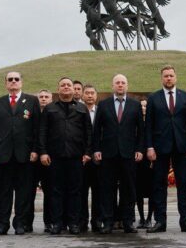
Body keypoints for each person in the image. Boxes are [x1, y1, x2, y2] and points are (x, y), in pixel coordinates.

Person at [145, 65, 186, 233]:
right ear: (162, 78)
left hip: (182, 146)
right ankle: (160, 221)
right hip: (160, 147)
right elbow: (148, 125)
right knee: (159, 185)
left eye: (171, 76)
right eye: (166, 76)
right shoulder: (153, 98)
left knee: (183, 184)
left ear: (176, 77)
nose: (168, 78)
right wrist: (150, 146)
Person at [0, 71, 41, 235]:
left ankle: (20, 223)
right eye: (10, 79)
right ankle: (2, 224)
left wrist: (35, 149)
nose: (13, 82)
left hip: (24, 155)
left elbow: (36, 129)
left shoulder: (32, 101)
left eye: (16, 79)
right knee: (3, 192)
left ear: (21, 82)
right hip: (3, 154)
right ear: (5, 83)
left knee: (23, 192)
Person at [39, 78, 93, 234]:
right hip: (54, 157)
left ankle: (73, 223)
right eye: (63, 85)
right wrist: (43, 152)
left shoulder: (82, 108)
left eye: (68, 85)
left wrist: (88, 153)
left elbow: (89, 133)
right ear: (59, 89)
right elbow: (42, 132)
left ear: (73, 89)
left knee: (75, 191)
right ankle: (56, 223)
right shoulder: (50, 108)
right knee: (56, 191)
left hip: (76, 157)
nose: (66, 87)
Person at [92, 74, 144, 234]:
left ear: (127, 86)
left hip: (129, 154)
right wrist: (96, 149)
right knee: (107, 189)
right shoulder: (103, 104)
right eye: (117, 83)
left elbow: (140, 131)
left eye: (123, 83)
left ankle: (128, 222)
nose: (120, 85)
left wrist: (139, 149)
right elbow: (96, 130)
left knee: (128, 190)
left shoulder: (135, 105)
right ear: (112, 86)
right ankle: (109, 222)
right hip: (108, 154)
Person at [80, 84, 101, 232]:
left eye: (92, 93)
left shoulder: (101, 111)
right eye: (86, 93)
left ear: (96, 95)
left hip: (98, 158)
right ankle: (82, 221)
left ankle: (97, 221)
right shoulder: (77, 111)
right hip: (81, 158)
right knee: (81, 191)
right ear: (82, 95)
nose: (89, 95)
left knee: (98, 191)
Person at [135, 97, 154, 229]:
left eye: (146, 106)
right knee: (138, 190)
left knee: (152, 190)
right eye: (141, 106)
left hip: (151, 160)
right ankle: (141, 217)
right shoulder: (135, 121)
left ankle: (149, 218)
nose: (143, 108)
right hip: (137, 159)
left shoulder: (153, 121)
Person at [36, 89, 53, 232]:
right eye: (41, 97)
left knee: (50, 191)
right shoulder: (32, 115)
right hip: (31, 159)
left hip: (48, 158)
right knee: (28, 192)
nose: (43, 99)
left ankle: (49, 221)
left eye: (46, 97)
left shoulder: (53, 114)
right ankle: (26, 223)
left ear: (51, 99)